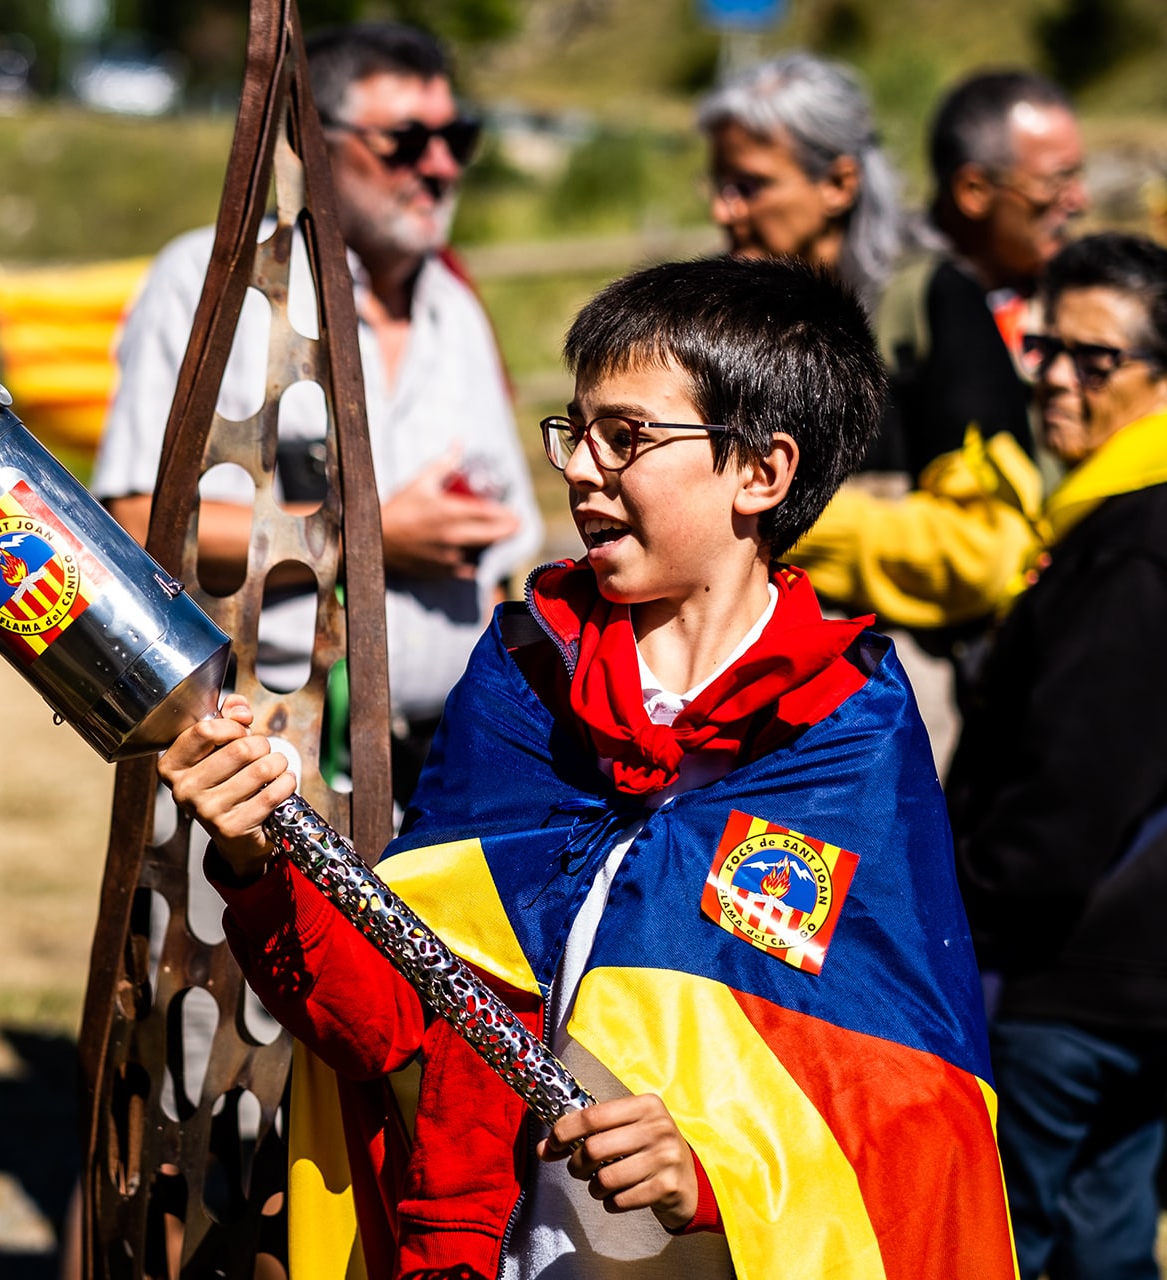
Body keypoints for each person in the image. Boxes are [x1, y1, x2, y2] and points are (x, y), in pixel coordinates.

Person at [159, 257, 1015, 1279]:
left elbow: (917, 1108)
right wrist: (257, 859)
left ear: (762, 473)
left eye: (629, 436)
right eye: (576, 430)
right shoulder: (530, 676)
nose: (579, 468)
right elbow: (404, 1020)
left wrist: (714, 1172)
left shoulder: (846, 735)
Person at [91, 21, 540, 807]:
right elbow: (133, 532)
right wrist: (371, 538)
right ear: (316, 147)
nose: (440, 166)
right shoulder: (211, 282)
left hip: (447, 772)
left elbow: (510, 547)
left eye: (456, 137)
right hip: (260, 765)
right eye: (405, 141)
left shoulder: (456, 306)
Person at [945, 233, 1167, 1280]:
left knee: (1005, 1247)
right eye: (1042, 348)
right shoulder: (1104, 519)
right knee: (1110, 1244)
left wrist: (961, 910)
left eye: (1095, 358)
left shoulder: (1130, 543)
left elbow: (1073, 789)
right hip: (1122, 974)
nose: (1055, 378)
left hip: (1065, 981)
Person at [792, 71, 1088, 634]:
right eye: (1057, 180)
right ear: (974, 191)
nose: (1079, 199)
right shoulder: (889, 301)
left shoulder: (1092, 303)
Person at [697, 52, 913, 313]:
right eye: (721, 186)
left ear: (837, 185)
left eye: (748, 186)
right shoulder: (709, 309)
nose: (721, 212)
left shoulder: (921, 303)